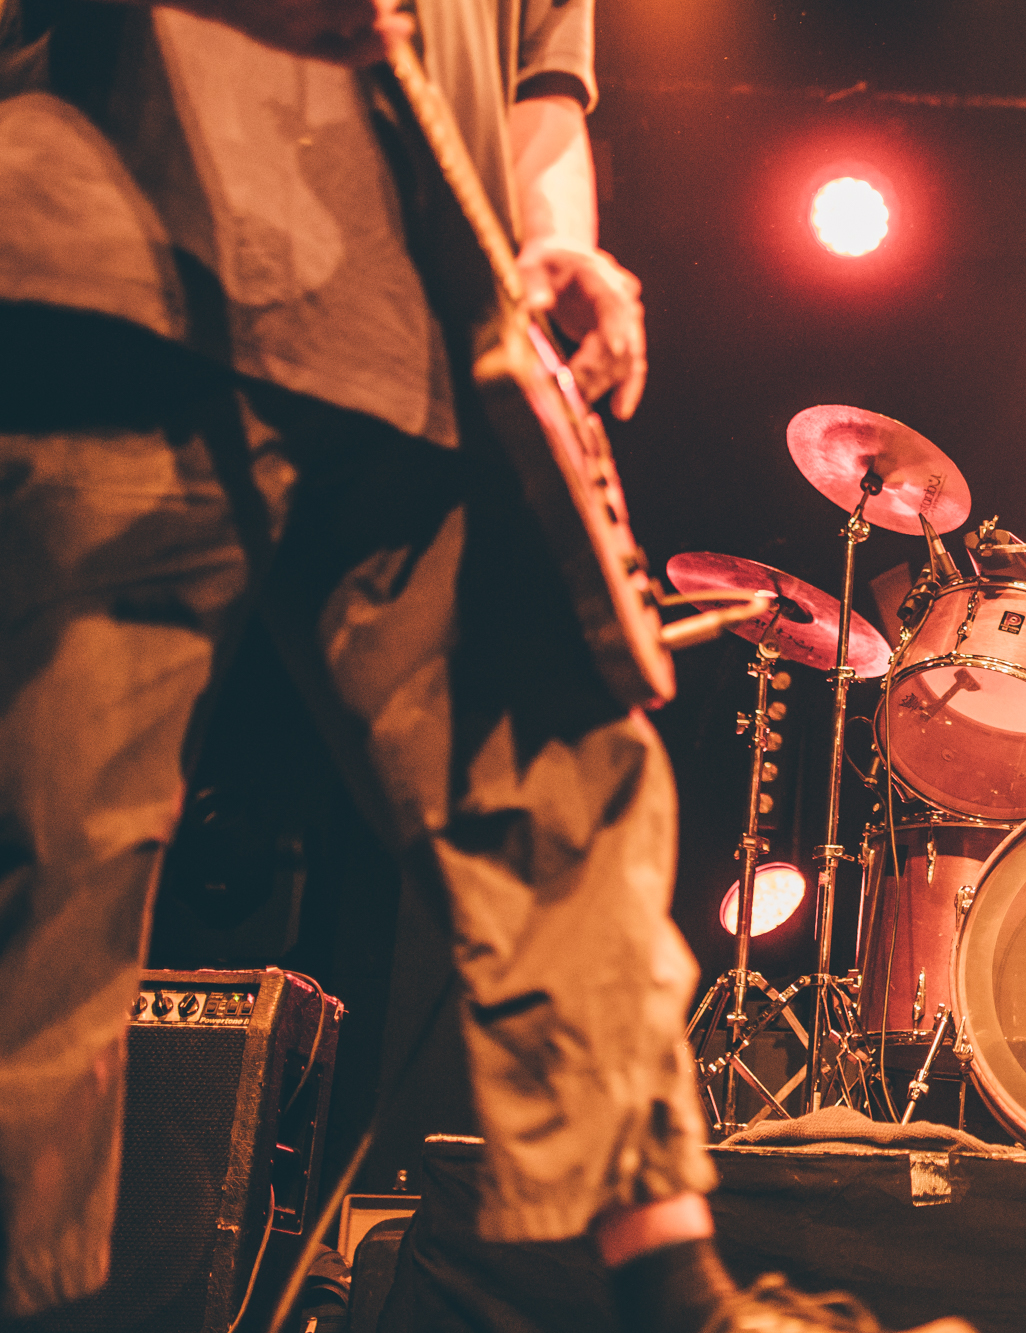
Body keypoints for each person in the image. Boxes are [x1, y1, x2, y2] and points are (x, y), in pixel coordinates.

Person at [0, 4, 966, 1330]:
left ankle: (674, 1295)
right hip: (112, 284)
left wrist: (559, 240)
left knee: (572, 785)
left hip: (414, 351)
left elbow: (540, 95)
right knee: (57, 834)